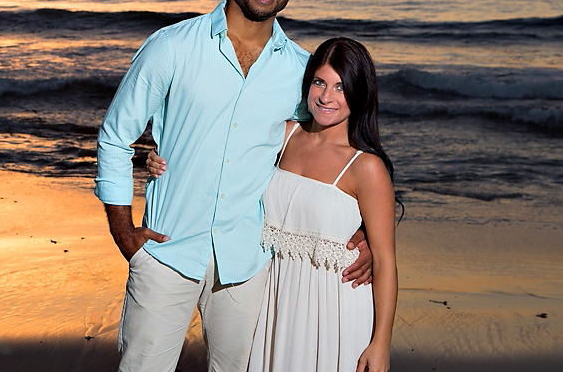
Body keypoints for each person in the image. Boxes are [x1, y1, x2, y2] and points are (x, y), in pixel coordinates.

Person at [95, 0, 372, 372]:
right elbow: (114, 136)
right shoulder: (172, 46)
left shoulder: (300, 71)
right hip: (167, 251)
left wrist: (370, 229)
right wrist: (125, 234)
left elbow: (337, 149)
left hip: (248, 262)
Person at [150, 38, 399, 372]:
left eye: (341, 87)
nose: (326, 97)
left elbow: (384, 262)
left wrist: (380, 343)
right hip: (274, 299)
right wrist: (161, 159)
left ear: (360, 93)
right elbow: (217, 158)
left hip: (335, 306)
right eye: (319, 82)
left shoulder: (365, 167)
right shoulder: (284, 136)